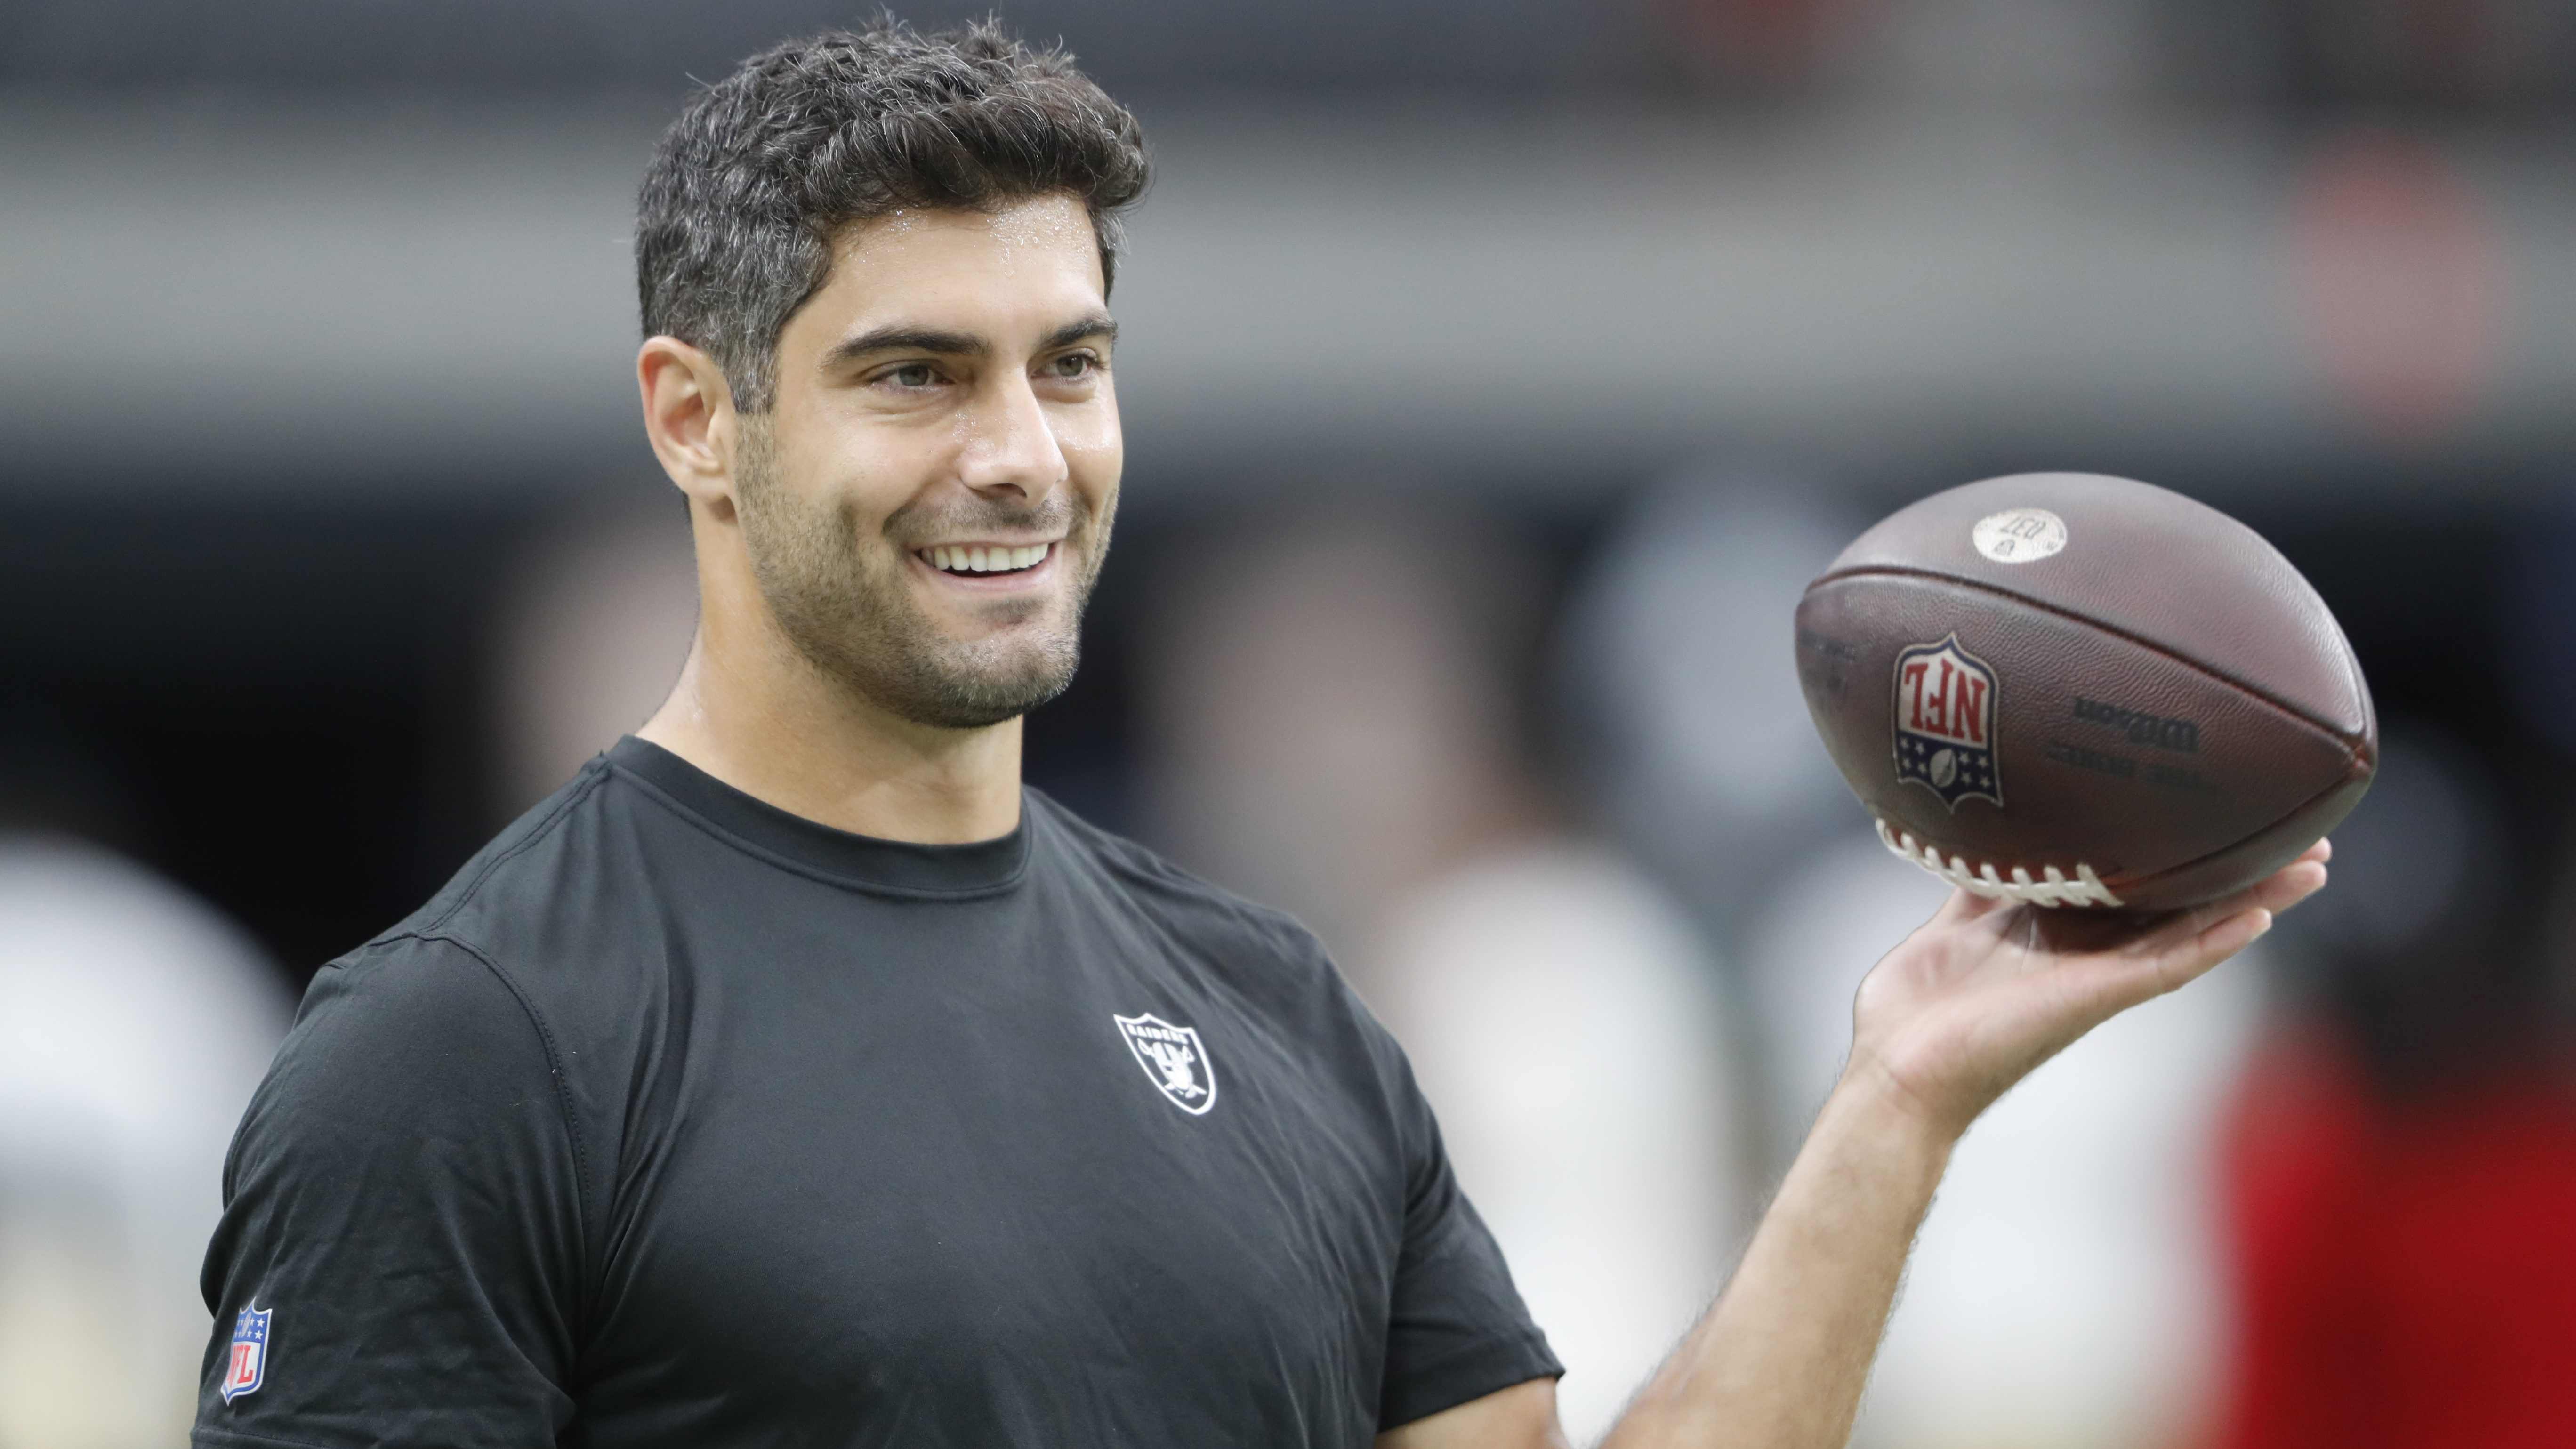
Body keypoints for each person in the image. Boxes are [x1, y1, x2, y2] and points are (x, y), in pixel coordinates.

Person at [192, 21, 2328, 1449]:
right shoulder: (473, 1043)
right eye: (919, 374)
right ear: (696, 418)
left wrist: (1898, 1096)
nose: (1022, 456)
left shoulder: (1273, 1007)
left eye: (1071, 363)